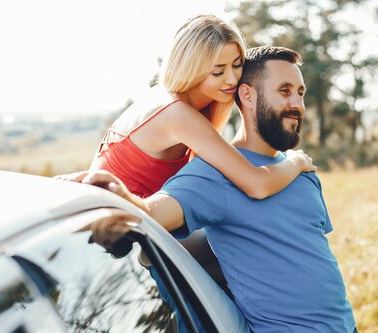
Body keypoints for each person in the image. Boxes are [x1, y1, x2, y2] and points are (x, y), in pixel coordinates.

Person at [76, 46, 367, 333]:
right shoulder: (213, 175)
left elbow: (306, 253)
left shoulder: (298, 170)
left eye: (300, 92)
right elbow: (154, 211)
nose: (297, 103)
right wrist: (124, 198)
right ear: (247, 94)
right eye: (284, 91)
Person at [85, 14, 315, 201]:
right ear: (191, 67)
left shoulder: (174, 100)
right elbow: (257, 185)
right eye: (218, 71)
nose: (232, 80)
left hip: (137, 224)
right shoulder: (176, 113)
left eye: (237, 65)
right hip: (121, 235)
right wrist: (296, 161)